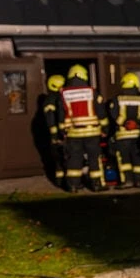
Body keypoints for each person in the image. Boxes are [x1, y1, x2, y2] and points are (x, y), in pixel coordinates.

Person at [57, 64, 108, 192]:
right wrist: (105, 129)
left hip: (73, 133)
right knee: (94, 158)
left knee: (74, 158)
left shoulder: (64, 93)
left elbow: (61, 114)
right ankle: (96, 184)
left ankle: (73, 185)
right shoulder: (92, 91)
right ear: (84, 75)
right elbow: (101, 111)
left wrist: (62, 131)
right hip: (92, 132)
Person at [107, 72, 140, 188]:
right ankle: (139, 181)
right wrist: (137, 124)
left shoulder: (117, 98)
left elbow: (113, 114)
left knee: (124, 159)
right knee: (138, 159)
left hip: (122, 135)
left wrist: (125, 124)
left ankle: (127, 181)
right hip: (138, 135)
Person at [41, 74, 66, 188]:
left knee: (59, 160)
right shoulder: (57, 99)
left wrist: (55, 135)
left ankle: (60, 182)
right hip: (62, 134)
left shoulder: (49, 100)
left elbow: (50, 120)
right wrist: (56, 135)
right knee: (62, 159)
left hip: (58, 135)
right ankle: (63, 182)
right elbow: (51, 119)